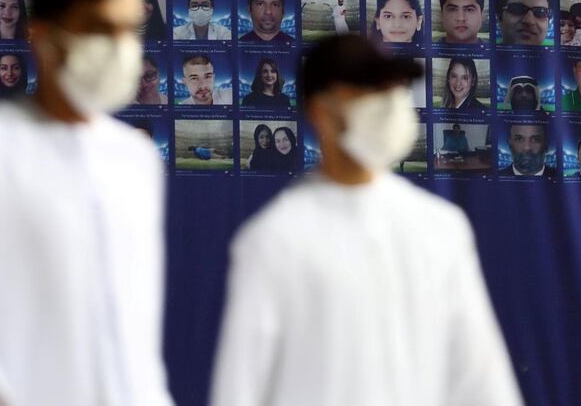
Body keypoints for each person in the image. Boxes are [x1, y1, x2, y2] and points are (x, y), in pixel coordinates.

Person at [212, 33, 523, 405]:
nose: (389, 105)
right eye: (368, 92)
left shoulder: (442, 228)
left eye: (391, 90)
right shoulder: (274, 240)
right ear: (321, 110)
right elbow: (240, 390)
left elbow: (481, 382)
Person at [0, 0, 175, 403]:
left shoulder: (135, 159)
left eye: (128, 30)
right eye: (99, 28)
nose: (119, 46)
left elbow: (135, 331)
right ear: (43, 38)